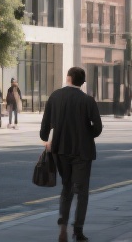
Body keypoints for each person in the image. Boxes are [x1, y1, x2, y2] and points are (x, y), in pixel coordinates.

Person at [40, 66, 103, 242]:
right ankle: (78, 230)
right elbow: (98, 127)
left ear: (68, 78)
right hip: (83, 151)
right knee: (82, 191)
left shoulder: (55, 96)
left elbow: (44, 128)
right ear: (82, 83)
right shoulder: (88, 101)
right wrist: (86, 133)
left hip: (60, 150)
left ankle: (63, 223)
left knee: (66, 186)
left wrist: (46, 139)